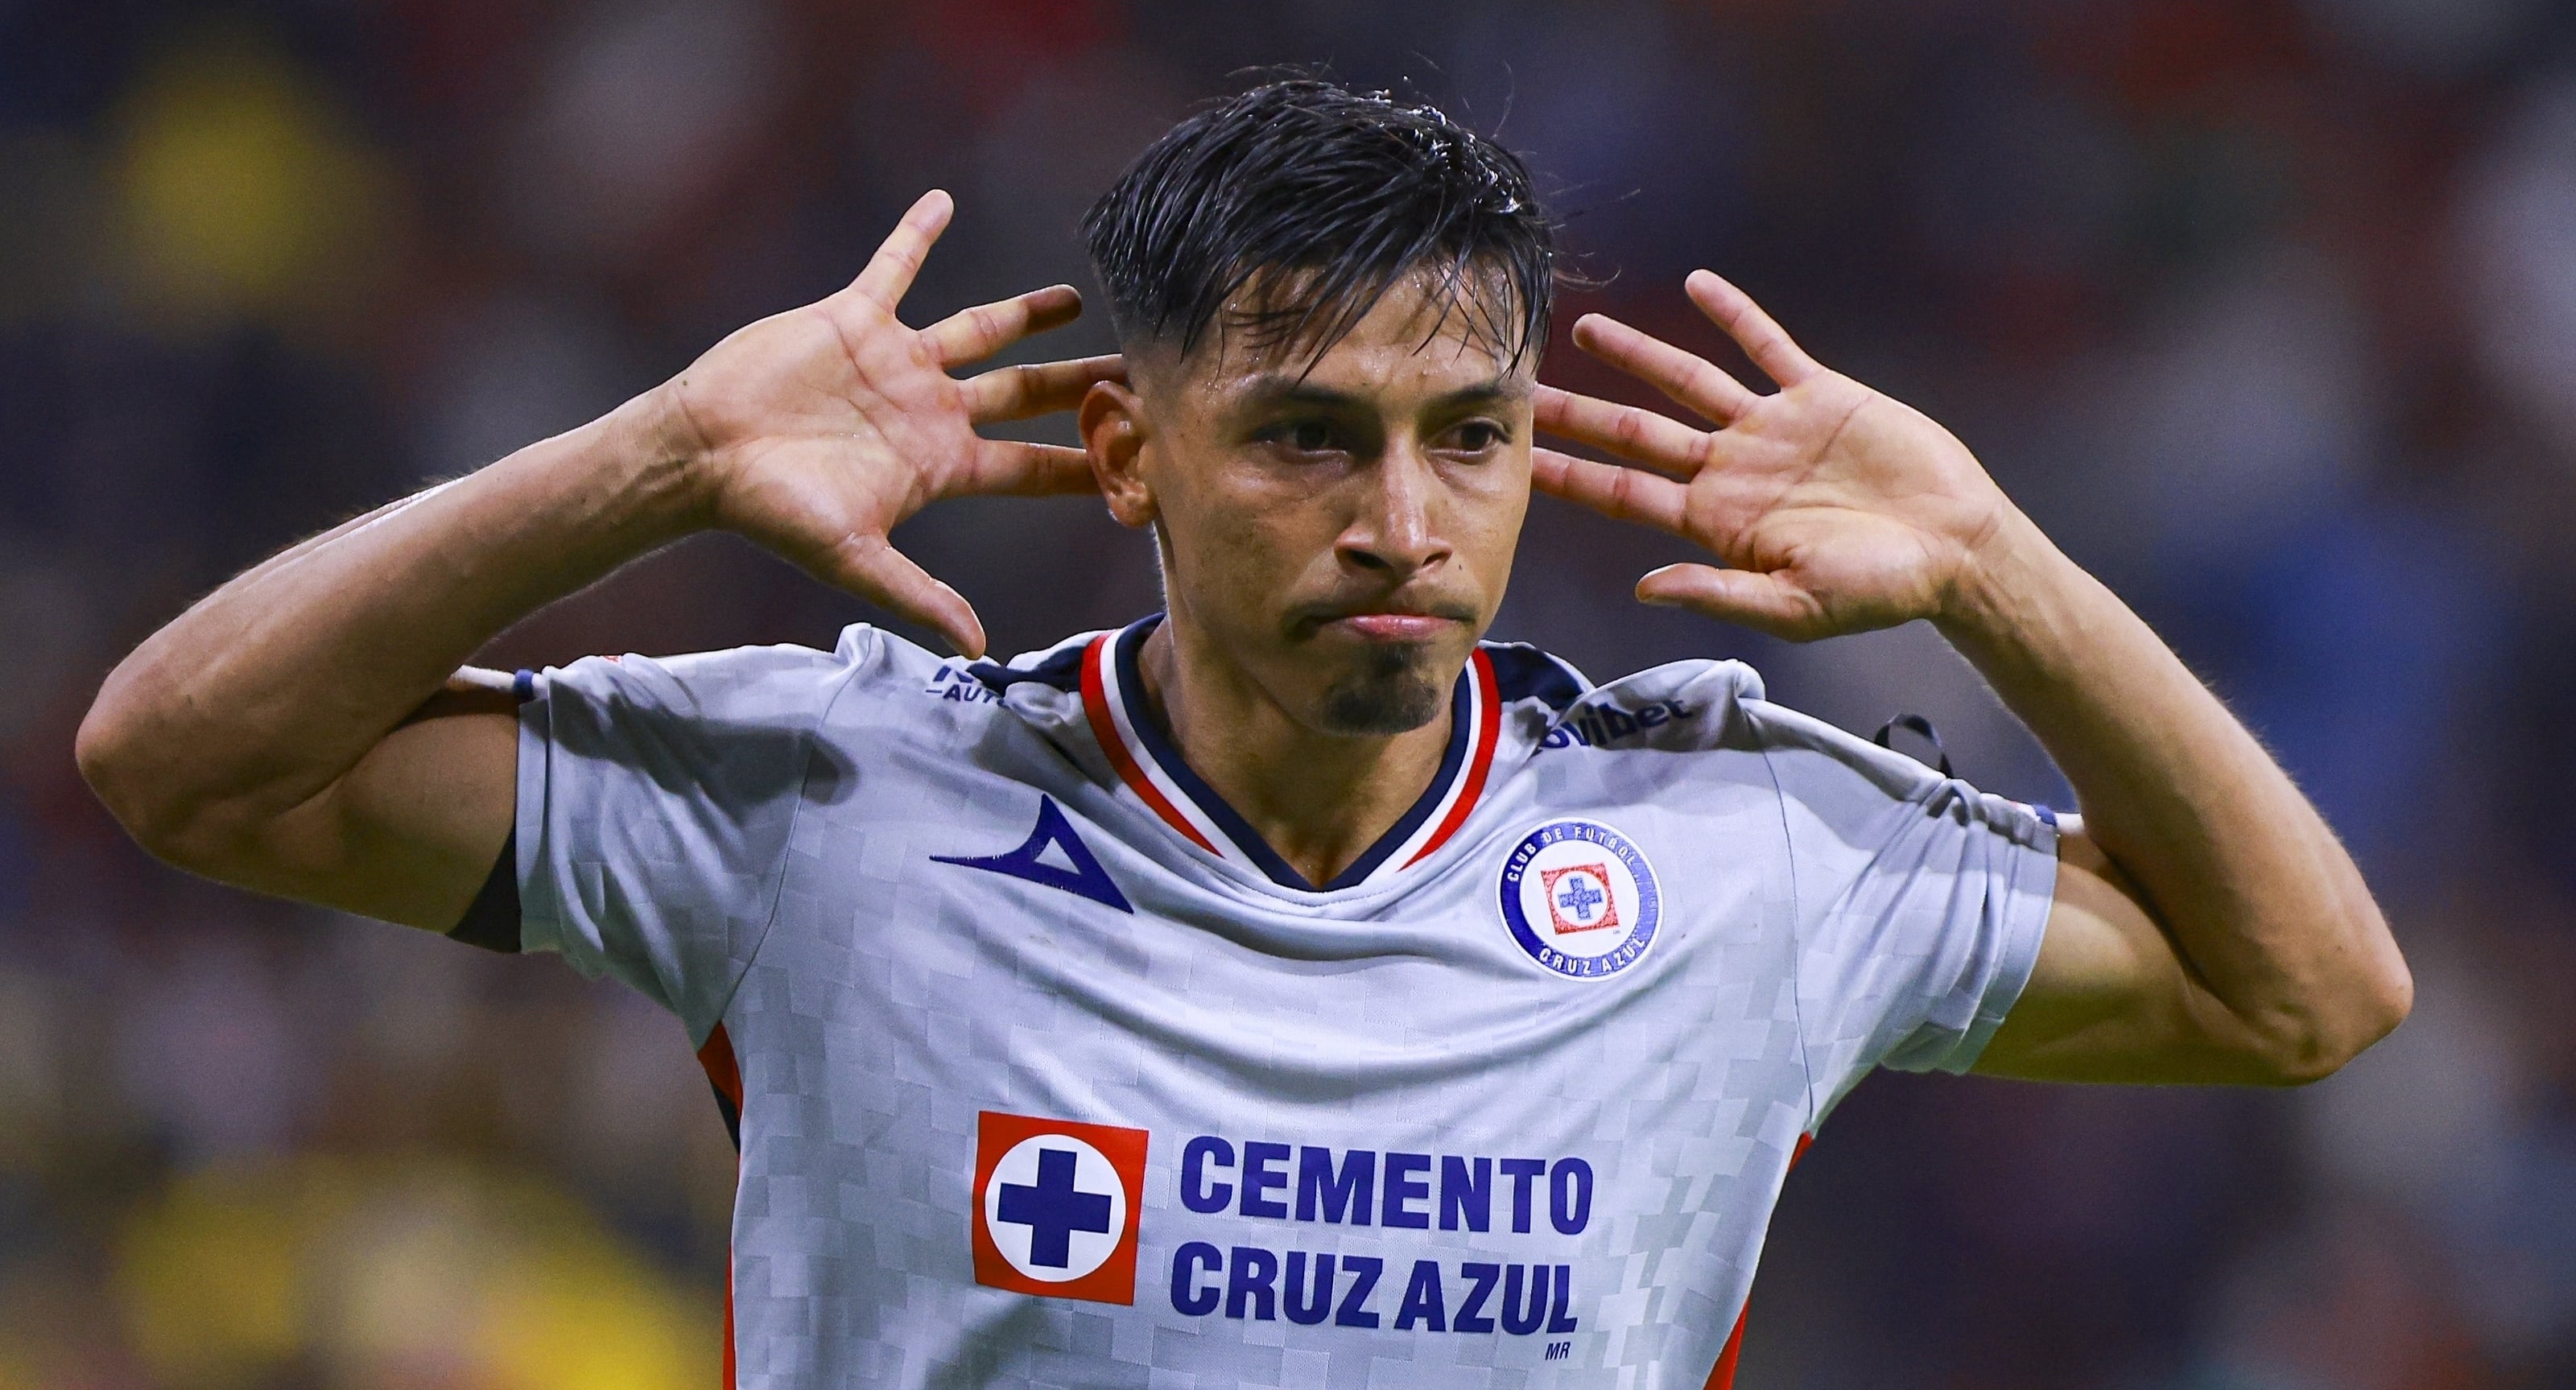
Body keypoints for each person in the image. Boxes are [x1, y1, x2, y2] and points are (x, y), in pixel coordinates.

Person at [76, 80, 2409, 1388]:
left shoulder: (1739, 851)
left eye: (1468, 437)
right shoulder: (849, 806)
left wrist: (2001, 562)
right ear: (1125, 450)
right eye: (1307, 436)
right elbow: (190, 762)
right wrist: (658, 458)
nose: (1404, 521)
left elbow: (2309, 995)